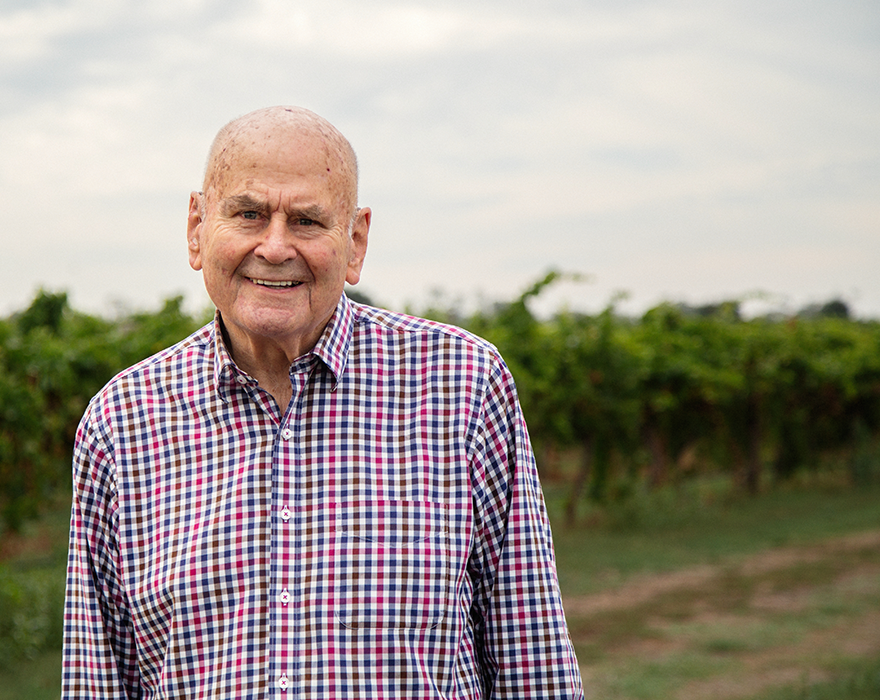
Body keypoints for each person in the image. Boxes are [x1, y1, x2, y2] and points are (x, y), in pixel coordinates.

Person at [62, 106, 584, 699]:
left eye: (308, 221)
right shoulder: (120, 423)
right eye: (249, 214)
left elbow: (533, 662)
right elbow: (97, 680)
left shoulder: (462, 386)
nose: (275, 246)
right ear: (197, 228)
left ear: (355, 242)